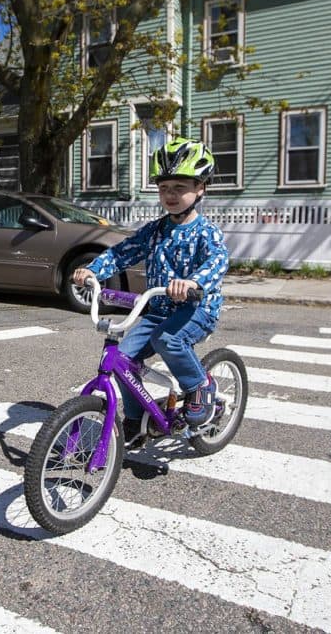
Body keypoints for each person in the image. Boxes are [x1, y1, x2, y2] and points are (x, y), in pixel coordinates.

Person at [72, 137, 230, 439]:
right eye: (164, 188)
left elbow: (217, 260)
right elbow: (122, 253)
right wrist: (93, 270)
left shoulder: (206, 232)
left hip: (196, 309)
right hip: (158, 310)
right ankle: (137, 419)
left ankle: (200, 386)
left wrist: (194, 282)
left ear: (200, 189)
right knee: (122, 361)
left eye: (180, 188)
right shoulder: (155, 230)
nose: (170, 195)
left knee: (167, 340)